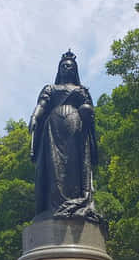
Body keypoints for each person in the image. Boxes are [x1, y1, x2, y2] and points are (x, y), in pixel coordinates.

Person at [29, 50, 101, 222]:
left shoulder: (81, 90)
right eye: (63, 66)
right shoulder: (51, 89)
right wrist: (34, 117)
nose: (66, 68)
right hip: (53, 129)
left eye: (70, 66)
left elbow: (89, 112)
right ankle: (53, 206)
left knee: (74, 167)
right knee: (54, 168)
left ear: (75, 70)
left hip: (76, 130)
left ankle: (76, 201)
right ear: (59, 69)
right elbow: (42, 104)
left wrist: (87, 112)